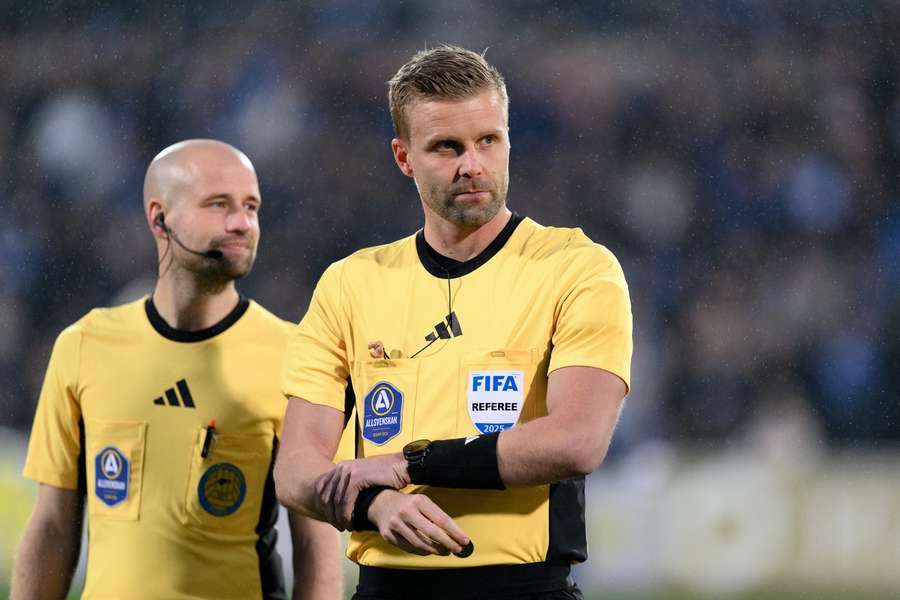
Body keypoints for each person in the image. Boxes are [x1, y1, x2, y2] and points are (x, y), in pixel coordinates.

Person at [275, 46, 633, 600]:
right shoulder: (351, 283)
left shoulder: (577, 269)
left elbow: (577, 440)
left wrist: (407, 465)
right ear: (404, 157)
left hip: (524, 588)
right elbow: (295, 469)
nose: (473, 164)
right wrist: (374, 504)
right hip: (385, 587)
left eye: (488, 140)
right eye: (447, 147)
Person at [12, 139, 343, 600]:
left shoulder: (296, 355)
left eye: (251, 207)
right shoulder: (83, 346)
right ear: (159, 217)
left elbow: (317, 546)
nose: (242, 223)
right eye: (218, 204)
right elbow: (51, 528)